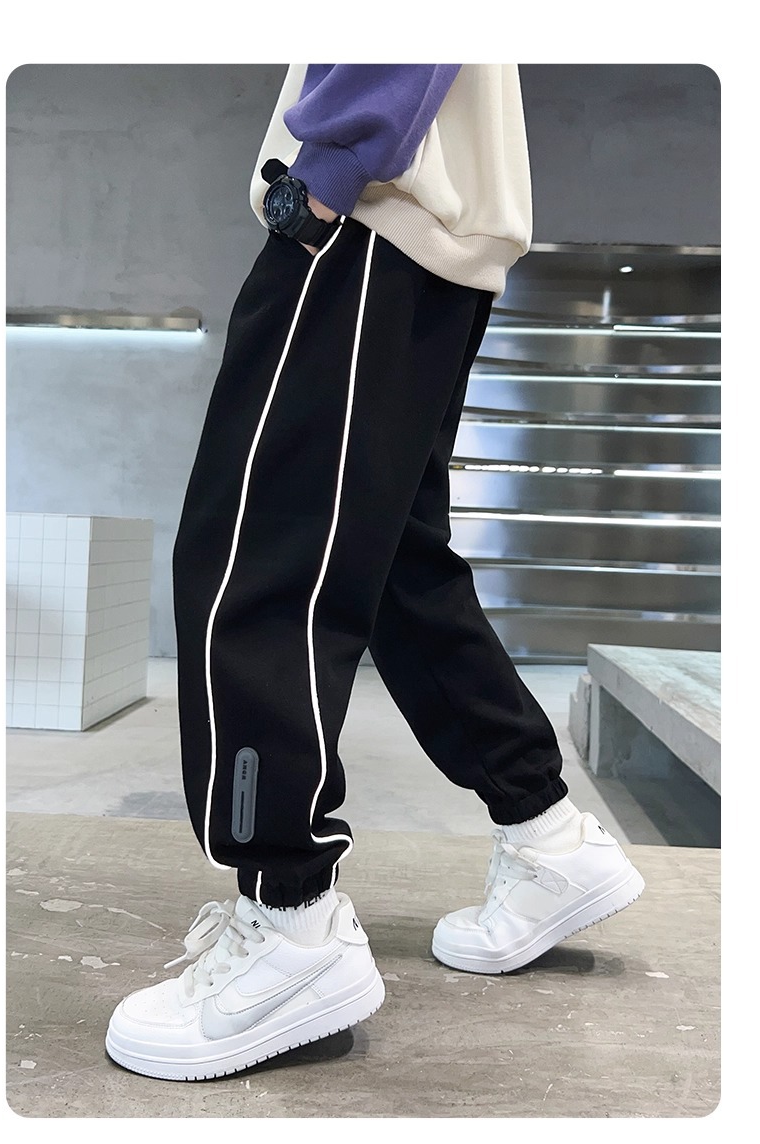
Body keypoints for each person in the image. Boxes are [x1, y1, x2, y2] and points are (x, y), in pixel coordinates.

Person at [105, 64, 644, 1082]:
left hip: (370, 216)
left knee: (258, 555)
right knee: (393, 563)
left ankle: (291, 922)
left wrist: (331, 166)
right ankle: (546, 835)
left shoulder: (355, 189)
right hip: (430, 236)